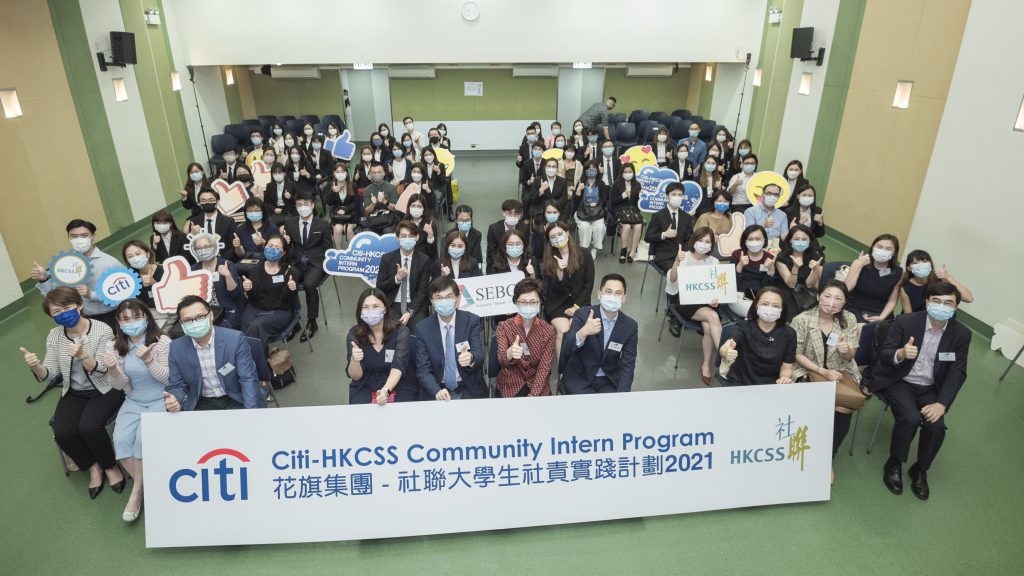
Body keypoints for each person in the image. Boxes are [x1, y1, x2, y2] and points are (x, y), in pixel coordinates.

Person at [865, 281, 971, 500]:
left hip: (930, 388)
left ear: (956, 307)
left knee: (936, 425)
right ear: (927, 302)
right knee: (911, 418)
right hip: (900, 380)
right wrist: (901, 353)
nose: (941, 306)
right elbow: (885, 355)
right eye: (936, 301)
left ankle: (920, 470)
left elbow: (957, 371)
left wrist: (941, 403)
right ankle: (894, 462)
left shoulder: (961, 334)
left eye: (948, 303)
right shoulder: (906, 322)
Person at [20, 287, 124, 499]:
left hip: (105, 387)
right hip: (75, 391)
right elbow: (49, 374)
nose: (62, 314)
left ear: (80, 305)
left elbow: (104, 368)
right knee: (63, 432)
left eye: (67, 308)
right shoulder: (55, 336)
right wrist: (35, 365)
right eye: (56, 312)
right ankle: (93, 466)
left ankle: (111, 467)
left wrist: (83, 355)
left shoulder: (101, 329)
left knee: (89, 427)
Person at [790, 281, 866, 483]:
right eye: (827, 296)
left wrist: (846, 350)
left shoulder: (849, 318)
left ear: (844, 303)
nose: (831, 303)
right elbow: (796, 354)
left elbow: (851, 354)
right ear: (818, 297)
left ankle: (826, 457)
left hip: (841, 370)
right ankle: (801, 448)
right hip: (808, 370)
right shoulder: (802, 320)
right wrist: (822, 371)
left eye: (838, 298)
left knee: (843, 407)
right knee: (812, 402)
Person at [102, 300, 171, 521]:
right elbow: (118, 385)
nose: (132, 323)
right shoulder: (114, 347)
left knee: (142, 439)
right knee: (121, 439)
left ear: (147, 318)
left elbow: (168, 379)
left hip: (161, 397)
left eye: (136, 317)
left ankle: (137, 491)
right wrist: (112, 369)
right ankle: (148, 487)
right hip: (133, 400)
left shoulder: (161, 342)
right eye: (126, 319)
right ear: (119, 323)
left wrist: (149, 360)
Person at [164, 296, 263, 411]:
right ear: (181, 324)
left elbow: (248, 379)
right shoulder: (176, 348)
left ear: (210, 315)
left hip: (236, 398)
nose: (195, 323)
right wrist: (174, 400)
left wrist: (251, 412)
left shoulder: (235, 339)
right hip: (202, 402)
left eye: (200, 317)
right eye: (187, 320)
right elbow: (176, 385)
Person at [31, 219, 122, 328]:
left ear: (93, 236)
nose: (79, 240)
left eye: (84, 235)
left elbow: (123, 294)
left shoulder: (110, 263)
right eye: (74, 236)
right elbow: (53, 295)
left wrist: (91, 294)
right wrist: (43, 279)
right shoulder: (64, 263)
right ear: (69, 238)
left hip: (107, 317)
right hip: (78, 318)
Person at [560, 273, 638, 394]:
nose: (613, 297)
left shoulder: (630, 326)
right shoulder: (583, 314)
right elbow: (567, 347)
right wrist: (583, 333)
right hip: (580, 377)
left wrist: (623, 394)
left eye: (618, 293)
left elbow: (628, 364)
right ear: (599, 295)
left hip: (609, 380)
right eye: (608, 292)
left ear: (624, 298)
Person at [664, 229, 724, 385]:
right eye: (701, 240)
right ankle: (723, 356)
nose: (704, 245)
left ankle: (706, 365)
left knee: (709, 328)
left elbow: (716, 289)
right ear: (694, 240)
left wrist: (715, 300)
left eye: (708, 242)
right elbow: (672, 279)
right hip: (686, 301)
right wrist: (677, 261)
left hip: (706, 303)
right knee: (713, 317)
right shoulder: (685, 257)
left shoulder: (714, 262)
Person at [413, 277, 487, 400]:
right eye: (439, 298)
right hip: (437, 388)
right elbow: (423, 369)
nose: (444, 301)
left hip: (468, 386)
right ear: (432, 301)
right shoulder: (423, 328)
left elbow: (479, 354)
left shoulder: (471, 321)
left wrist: (471, 358)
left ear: (457, 298)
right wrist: (436, 390)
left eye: (448, 297)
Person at [346, 288, 417, 404]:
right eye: (366, 307)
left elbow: (398, 367)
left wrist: (385, 391)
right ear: (360, 312)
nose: (370, 311)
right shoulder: (354, 334)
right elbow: (356, 376)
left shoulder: (401, 332)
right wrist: (355, 360)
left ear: (384, 309)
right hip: (366, 385)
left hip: (398, 385)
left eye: (375, 306)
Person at [719, 286, 796, 386]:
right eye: (765, 304)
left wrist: (784, 378)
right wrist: (726, 350)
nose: (770, 308)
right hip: (741, 384)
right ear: (756, 305)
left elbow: (787, 366)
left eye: (775, 306)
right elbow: (728, 345)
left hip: (772, 385)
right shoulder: (743, 327)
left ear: (782, 309)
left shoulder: (789, 333)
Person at [541, 221, 595, 358]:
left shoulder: (584, 253)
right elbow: (551, 290)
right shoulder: (549, 258)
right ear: (549, 240)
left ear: (568, 233)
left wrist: (577, 306)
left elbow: (588, 285)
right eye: (553, 237)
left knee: (575, 329)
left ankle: (575, 369)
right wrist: (559, 272)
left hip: (580, 302)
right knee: (564, 331)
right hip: (557, 303)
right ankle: (562, 373)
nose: (557, 238)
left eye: (560, 234)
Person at [282, 191, 330, 341]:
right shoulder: (289, 222)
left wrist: (327, 265)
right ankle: (293, 320)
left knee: (309, 285)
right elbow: (287, 248)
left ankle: (311, 322)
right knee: (287, 281)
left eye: (306, 204)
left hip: (316, 262)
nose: (303, 207)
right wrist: (285, 241)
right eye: (299, 204)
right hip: (296, 261)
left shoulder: (322, 224)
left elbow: (328, 247)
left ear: (312, 205)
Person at [496, 278, 555, 397]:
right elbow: (501, 360)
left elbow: (544, 368)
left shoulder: (548, 331)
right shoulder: (504, 327)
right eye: (523, 302)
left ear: (540, 303)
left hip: (537, 384)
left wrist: (533, 395)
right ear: (516, 302)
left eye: (533, 302)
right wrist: (509, 354)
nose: (528, 306)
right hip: (510, 384)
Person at [240, 235, 298, 349]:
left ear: (283, 253)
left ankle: (252, 361)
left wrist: (291, 290)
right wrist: (249, 289)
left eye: (277, 247)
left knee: (256, 326)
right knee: (245, 324)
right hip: (256, 307)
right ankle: (259, 357)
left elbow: (289, 302)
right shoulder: (255, 270)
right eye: (270, 246)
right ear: (265, 247)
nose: (272, 249)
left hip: (280, 310)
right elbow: (253, 299)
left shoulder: (289, 271)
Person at [376, 220, 431, 329]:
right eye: (403, 236)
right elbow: (380, 286)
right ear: (397, 238)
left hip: (414, 305)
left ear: (417, 237)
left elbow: (422, 291)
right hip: (392, 305)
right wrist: (397, 278)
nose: (407, 239)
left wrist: (410, 312)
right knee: (392, 334)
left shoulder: (424, 260)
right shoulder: (387, 258)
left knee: (419, 332)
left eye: (411, 236)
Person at [189, 232, 245, 329]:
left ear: (214, 247)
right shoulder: (193, 270)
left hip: (227, 312)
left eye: (206, 246)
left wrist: (227, 275)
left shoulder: (227, 264)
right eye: (199, 248)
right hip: (203, 313)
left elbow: (236, 295)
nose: (203, 250)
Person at [844, 233, 902, 322]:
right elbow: (846, 288)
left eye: (888, 249)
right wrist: (859, 264)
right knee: (861, 328)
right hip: (855, 308)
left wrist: (882, 317)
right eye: (879, 247)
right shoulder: (861, 263)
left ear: (894, 252)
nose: (883, 251)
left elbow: (892, 301)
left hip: (879, 312)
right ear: (873, 248)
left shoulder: (898, 272)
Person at [900, 250, 974, 314]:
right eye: (915, 263)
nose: (921, 265)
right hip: (919, 321)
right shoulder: (906, 287)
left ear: (930, 264)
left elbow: (968, 298)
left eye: (924, 261)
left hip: (941, 319)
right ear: (909, 268)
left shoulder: (940, 279)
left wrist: (949, 278)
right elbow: (908, 315)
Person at [645, 182, 696, 274]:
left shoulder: (686, 217)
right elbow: (648, 237)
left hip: (682, 255)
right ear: (667, 196)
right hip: (664, 257)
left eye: (680, 195)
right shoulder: (658, 216)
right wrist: (663, 234)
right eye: (674, 194)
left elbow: (689, 238)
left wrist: (685, 253)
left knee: (694, 272)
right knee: (679, 274)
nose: (677, 197)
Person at [775, 225, 825, 314]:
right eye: (797, 239)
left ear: (809, 241)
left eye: (804, 239)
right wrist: (795, 268)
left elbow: (809, 285)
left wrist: (815, 270)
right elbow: (791, 285)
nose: (800, 242)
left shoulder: (815, 257)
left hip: (807, 292)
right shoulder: (782, 257)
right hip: (787, 290)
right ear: (790, 240)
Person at [730, 224, 776, 316]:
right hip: (738, 295)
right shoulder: (737, 254)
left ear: (764, 240)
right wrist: (740, 265)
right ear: (745, 241)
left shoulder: (769, 258)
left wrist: (771, 271)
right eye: (750, 239)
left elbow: (769, 287)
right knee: (757, 313)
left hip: (761, 297)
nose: (754, 242)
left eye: (758, 239)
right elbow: (730, 284)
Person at [185, 189, 238, 261]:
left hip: (224, 261)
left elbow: (233, 247)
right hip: (201, 262)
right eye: (203, 201)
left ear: (217, 201)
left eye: (210, 200)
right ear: (199, 203)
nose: (207, 203)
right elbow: (188, 248)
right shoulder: (194, 222)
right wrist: (192, 235)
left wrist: (218, 261)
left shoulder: (228, 222)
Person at [573, 161, 607, 259]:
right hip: (582, 212)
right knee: (585, 227)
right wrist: (579, 190)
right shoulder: (581, 182)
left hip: (597, 212)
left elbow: (604, 200)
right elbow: (575, 202)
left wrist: (597, 203)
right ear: (585, 171)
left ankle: (595, 249)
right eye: (588, 169)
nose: (591, 171)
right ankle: (584, 249)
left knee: (600, 227)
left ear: (597, 170)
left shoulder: (602, 184)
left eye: (593, 169)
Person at [611, 162, 644, 263]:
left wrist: (641, 196)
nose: (628, 173)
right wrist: (624, 195)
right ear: (622, 173)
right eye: (625, 172)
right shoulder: (616, 184)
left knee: (638, 226)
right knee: (627, 226)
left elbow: (638, 203)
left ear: (633, 173)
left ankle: (633, 251)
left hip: (633, 210)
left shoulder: (637, 185)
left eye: (630, 171)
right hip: (619, 210)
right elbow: (613, 201)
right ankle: (623, 251)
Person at [486, 199, 530, 274]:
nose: (513, 216)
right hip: (499, 264)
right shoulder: (494, 228)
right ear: (503, 213)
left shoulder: (524, 228)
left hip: (519, 263)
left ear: (520, 215)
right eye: (510, 213)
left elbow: (526, 248)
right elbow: (492, 251)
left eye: (516, 214)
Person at [322, 163, 360, 249]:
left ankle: (352, 253)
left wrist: (345, 209)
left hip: (351, 215)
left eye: (342, 171)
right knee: (338, 229)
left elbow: (356, 202)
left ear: (346, 173)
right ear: (334, 173)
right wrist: (333, 192)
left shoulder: (353, 185)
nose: (340, 174)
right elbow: (328, 202)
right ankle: (338, 254)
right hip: (337, 216)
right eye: (337, 172)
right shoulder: (331, 185)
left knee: (349, 229)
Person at [233, 197, 280, 261]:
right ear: (245, 213)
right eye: (250, 211)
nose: (253, 213)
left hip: (267, 262)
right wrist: (237, 247)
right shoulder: (241, 229)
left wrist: (264, 243)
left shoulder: (272, 228)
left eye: (257, 210)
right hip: (246, 264)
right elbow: (241, 255)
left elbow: (276, 252)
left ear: (263, 211)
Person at [121, 240, 162, 308]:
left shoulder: (164, 271)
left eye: (138, 254)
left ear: (148, 254)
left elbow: (173, 295)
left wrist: (154, 284)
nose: (135, 258)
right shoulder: (130, 278)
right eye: (130, 256)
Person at [363, 162, 399, 234]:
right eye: (374, 172)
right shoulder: (367, 189)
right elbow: (366, 211)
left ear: (384, 173)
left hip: (389, 220)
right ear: (370, 174)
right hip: (373, 221)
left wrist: (384, 201)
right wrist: (373, 204)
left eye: (379, 172)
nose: (377, 174)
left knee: (387, 231)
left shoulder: (391, 187)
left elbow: (396, 208)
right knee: (367, 233)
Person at [405, 193, 439, 263]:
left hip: (424, 260)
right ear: (409, 207)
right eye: (413, 206)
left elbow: (432, 253)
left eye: (419, 206)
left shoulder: (430, 223)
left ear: (424, 208)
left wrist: (430, 235)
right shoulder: (404, 223)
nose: (416, 209)